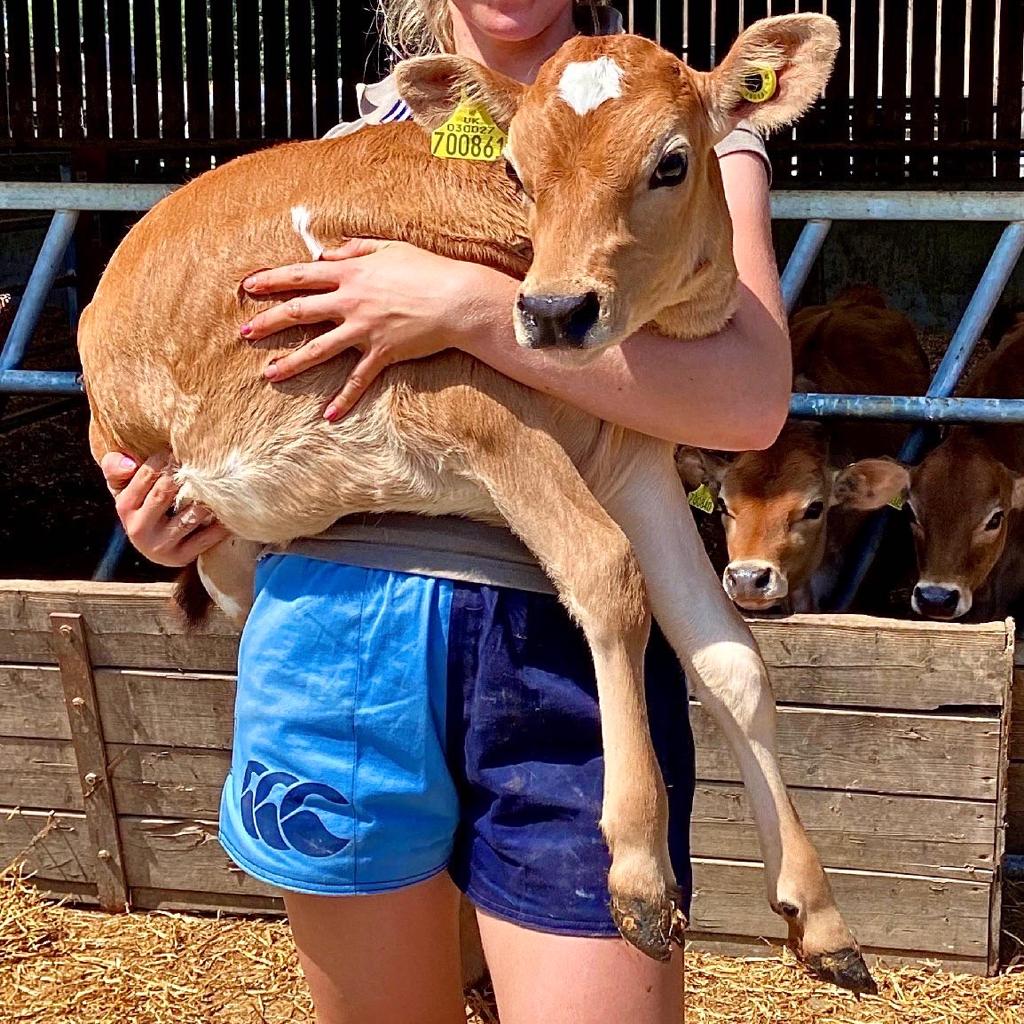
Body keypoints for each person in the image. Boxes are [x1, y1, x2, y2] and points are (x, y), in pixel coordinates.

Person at [99, 2, 791, 1022]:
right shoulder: (358, 147)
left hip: (560, 637)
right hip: (335, 628)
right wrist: (153, 509)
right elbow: (182, 372)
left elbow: (746, 401)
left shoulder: (681, 118)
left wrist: (463, 309)